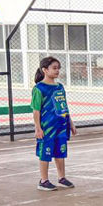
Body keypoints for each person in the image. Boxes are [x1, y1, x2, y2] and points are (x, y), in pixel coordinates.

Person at [31, 57, 76, 191]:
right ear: (45, 70)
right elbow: (36, 110)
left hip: (61, 127)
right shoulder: (39, 88)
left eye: (58, 68)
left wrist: (71, 123)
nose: (57, 71)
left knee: (60, 153)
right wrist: (38, 128)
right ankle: (43, 181)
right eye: (54, 68)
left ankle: (62, 178)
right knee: (45, 153)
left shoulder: (60, 87)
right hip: (47, 127)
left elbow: (64, 107)